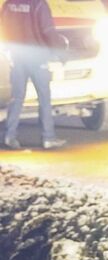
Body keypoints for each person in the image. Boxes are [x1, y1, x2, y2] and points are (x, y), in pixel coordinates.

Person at [1, 0, 66, 150]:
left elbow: (3, 27)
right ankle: (48, 138)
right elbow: (48, 31)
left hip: (16, 56)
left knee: (16, 98)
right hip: (37, 58)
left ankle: (9, 136)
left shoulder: (9, 4)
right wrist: (61, 54)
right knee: (44, 98)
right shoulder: (39, 4)